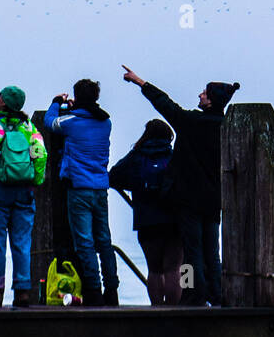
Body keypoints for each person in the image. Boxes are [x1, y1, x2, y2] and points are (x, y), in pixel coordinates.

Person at [121, 66, 240, 306]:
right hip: (214, 199)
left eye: (204, 94)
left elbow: (165, 104)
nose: (200, 95)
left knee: (191, 254)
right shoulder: (229, 127)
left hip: (188, 200)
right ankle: (216, 295)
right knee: (212, 253)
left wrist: (141, 82)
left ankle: (192, 294)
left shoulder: (191, 122)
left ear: (210, 100)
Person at [0, 85, 47, 308]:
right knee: (22, 242)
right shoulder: (30, 129)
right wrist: (35, 182)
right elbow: (41, 156)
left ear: (4, 103)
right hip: (24, 191)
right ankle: (22, 291)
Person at [44, 79, 118, 307]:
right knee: (104, 240)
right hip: (100, 188)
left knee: (84, 242)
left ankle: (94, 290)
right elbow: (88, 117)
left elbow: (50, 122)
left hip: (78, 189)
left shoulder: (72, 122)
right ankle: (112, 289)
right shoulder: (106, 122)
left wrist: (57, 103)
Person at [109, 119, 182, 304]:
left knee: (154, 269)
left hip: (146, 219)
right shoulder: (175, 157)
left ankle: (156, 307)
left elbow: (113, 176)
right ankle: (174, 309)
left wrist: (135, 187)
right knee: (173, 269)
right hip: (174, 219)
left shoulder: (136, 156)